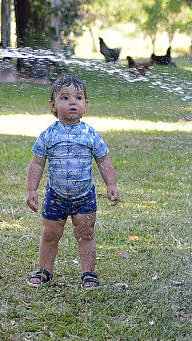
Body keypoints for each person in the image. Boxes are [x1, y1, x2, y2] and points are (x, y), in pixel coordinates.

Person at [25, 75, 120, 289]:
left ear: (86, 104)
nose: (72, 102)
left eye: (78, 98)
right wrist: (32, 189)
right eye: (65, 98)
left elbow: (103, 159)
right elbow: (37, 163)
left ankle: (88, 273)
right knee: (50, 234)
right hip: (55, 197)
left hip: (84, 196)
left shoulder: (90, 134)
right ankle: (44, 271)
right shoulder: (48, 135)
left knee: (86, 234)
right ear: (53, 105)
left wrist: (111, 184)